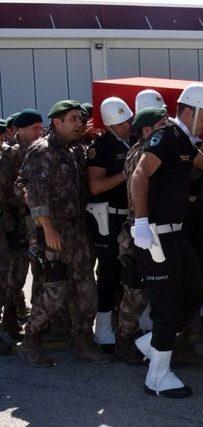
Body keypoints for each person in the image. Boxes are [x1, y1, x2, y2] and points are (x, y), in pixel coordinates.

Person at [130, 84, 203, 398]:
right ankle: (157, 376)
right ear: (190, 111)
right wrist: (141, 222)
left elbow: (201, 163)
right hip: (155, 236)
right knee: (167, 308)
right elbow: (140, 174)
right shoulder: (166, 136)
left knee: (195, 295)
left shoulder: (183, 139)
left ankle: (151, 343)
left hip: (177, 234)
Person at [17, 100, 112, 367]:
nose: (80, 124)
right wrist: (48, 229)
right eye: (74, 119)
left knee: (85, 289)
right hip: (53, 232)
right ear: (56, 122)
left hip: (77, 230)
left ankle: (82, 341)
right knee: (54, 291)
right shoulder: (42, 151)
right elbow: (34, 195)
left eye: (82, 119)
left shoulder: (75, 151)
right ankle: (31, 341)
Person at [114, 105, 167, 365]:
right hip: (138, 230)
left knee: (143, 289)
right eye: (161, 125)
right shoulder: (142, 153)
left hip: (146, 229)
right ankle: (123, 341)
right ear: (147, 129)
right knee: (134, 291)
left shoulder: (145, 150)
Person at [86, 97, 135, 351]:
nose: (127, 124)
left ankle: (125, 322)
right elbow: (95, 185)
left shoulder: (133, 141)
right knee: (108, 271)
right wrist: (127, 173)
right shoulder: (101, 146)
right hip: (109, 216)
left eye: (128, 119)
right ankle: (103, 327)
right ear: (109, 124)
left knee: (131, 270)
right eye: (121, 121)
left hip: (130, 215)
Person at [0, 109, 44, 341]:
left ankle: (20, 316)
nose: (40, 132)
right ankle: (9, 318)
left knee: (34, 269)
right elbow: (5, 189)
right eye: (35, 128)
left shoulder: (39, 151)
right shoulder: (12, 155)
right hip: (15, 223)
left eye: (40, 127)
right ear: (20, 129)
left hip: (33, 222)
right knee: (15, 274)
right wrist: (26, 200)